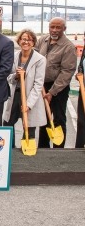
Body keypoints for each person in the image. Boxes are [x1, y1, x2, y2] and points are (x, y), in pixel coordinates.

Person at [36, 17, 76, 148]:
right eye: (52, 27)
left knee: (58, 118)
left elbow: (67, 72)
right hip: (42, 85)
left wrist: (52, 92)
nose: (54, 30)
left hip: (59, 87)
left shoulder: (68, 47)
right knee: (44, 118)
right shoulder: (43, 40)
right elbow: (34, 57)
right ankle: (43, 147)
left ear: (64, 29)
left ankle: (59, 150)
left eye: (58, 27)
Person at [3, 29, 46, 148]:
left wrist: (29, 104)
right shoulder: (15, 56)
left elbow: (38, 84)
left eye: (29, 40)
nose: (26, 42)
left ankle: (27, 150)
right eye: (23, 39)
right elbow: (9, 78)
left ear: (33, 42)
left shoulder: (40, 59)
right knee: (7, 124)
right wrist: (16, 76)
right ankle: (9, 148)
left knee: (29, 125)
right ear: (19, 41)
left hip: (29, 96)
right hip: (16, 94)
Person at [75, 45, 85, 148]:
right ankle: (79, 148)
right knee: (82, 121)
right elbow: (81, 65)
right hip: (83, 89)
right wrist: (79, 73)